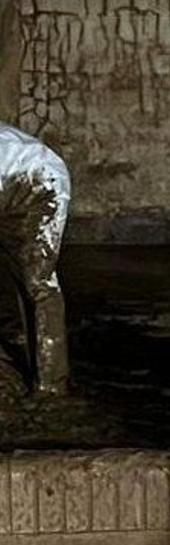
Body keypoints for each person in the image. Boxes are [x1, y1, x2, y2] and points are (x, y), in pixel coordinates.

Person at [0, 123, 69, 395]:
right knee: (18, 276)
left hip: (42, 182)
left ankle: (51, 385)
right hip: (10, 176)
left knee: (38, 282)